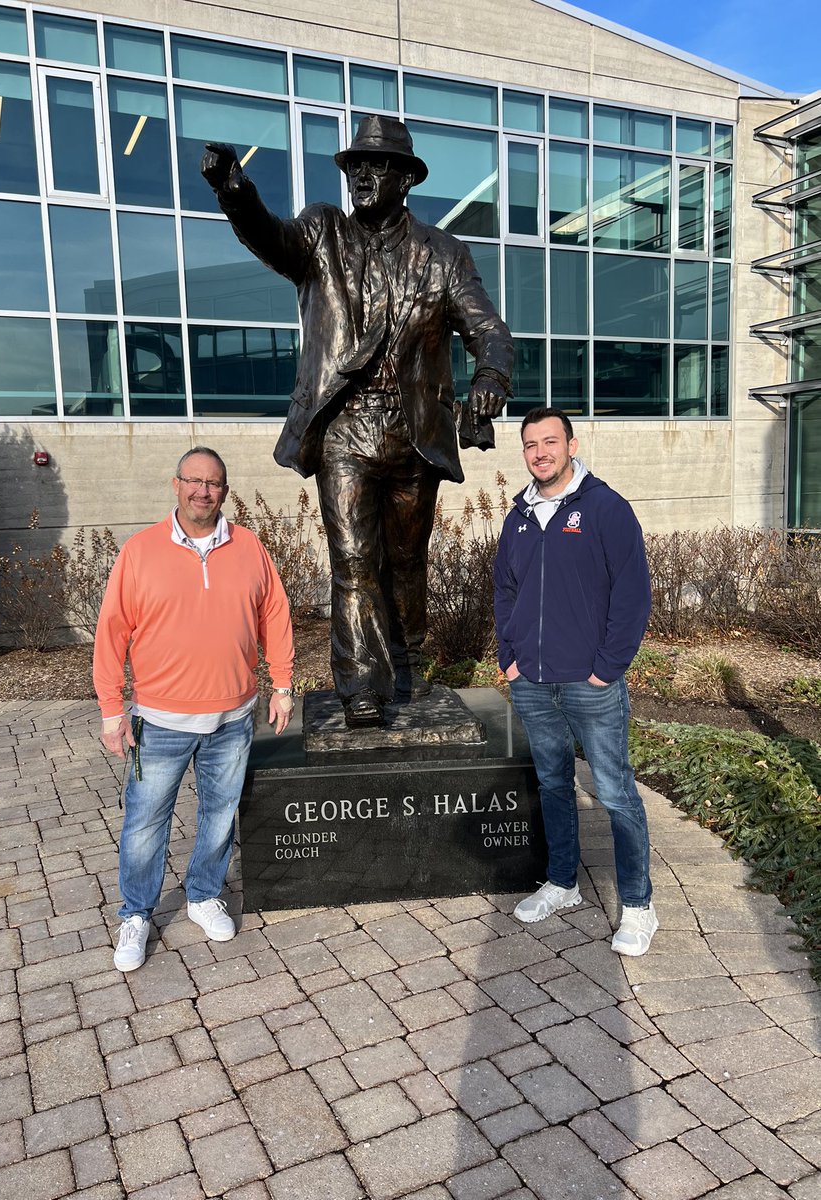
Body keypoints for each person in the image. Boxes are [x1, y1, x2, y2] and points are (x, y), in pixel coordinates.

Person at [200, 116, 513, 729]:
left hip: (414, 435)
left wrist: (490, 381)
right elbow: (270, 238)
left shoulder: (444, 255)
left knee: (405, 561)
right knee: (352, 559)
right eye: (354, 168)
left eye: (376, 166)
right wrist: (234, 190)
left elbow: (489, 332)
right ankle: (361, 687)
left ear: (405, 178)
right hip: (345, 426)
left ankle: (405, 660)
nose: (362, 176)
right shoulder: (322, 233)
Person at [94, 447, 295, 972]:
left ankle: (204, 895)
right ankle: (136, 914)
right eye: (194, 481)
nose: (203, 491)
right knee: (144, 824)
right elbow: (112, 633)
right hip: (158, 721)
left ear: (225, 491)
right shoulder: (140, 552)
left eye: (214, 483)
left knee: (220, 816)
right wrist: (111, 710)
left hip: (232, 718)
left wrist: (282, 684)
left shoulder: (250, 548)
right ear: (176, 484)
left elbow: (275, 613)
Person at [493, 407, 658, 956]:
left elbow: (633, 597)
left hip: (591, 683)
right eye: (530, 445)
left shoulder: (605, 508)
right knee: (554, 785)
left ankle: (637, 906)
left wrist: (605, 668)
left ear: (571, 443)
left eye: (549, 441)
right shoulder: (518, 516)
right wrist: (510, 658)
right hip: (533, 683)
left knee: (614, 791)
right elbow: (506, 592)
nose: (540, 452)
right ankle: (562, 883)